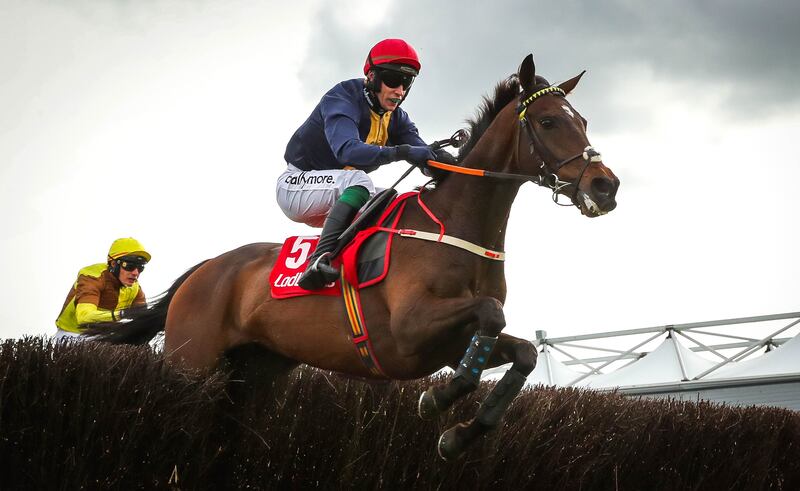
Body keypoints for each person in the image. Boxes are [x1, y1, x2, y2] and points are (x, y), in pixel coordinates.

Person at [277, 38, 453, 290]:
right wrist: (403, 151)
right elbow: (347, 151)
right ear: (371, 76)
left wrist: (448, 163)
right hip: (296, 185)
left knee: (398, 202)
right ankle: (318, 262)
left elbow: (423, 155)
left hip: (339, 193)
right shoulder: (342, 97)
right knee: (360, 180)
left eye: (406, 82)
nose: (399, 91)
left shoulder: (397, 118)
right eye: (393, 80)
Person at [54, 237, 150, 341]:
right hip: (72, 334)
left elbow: (144, 319)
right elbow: (84, 317)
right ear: (113, 264)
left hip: (103, 336)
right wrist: (122, 314)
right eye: (130, 266)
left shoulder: (135, 287)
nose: (136, 273)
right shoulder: (92, 277)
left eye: (140, 267)